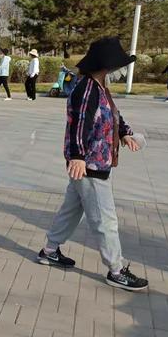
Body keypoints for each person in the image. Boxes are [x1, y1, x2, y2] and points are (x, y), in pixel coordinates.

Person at [37, 37, 148, 292]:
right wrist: (77, 155)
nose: (120, 71)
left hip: (91, 164)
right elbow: (79, 124)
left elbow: (113, 115)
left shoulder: (100, 88)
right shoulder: (87, 89)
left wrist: (125, 133)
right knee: (105, 220)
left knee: (71, 209)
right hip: (89, 166)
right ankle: (116, 270)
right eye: (117, 66)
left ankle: (49, 250)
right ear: (106, 65)